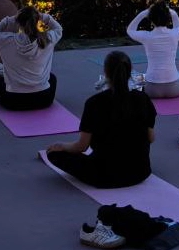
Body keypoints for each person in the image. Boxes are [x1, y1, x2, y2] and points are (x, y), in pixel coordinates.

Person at [46, 51, 157, 188]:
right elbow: (151, 138)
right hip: (141, 172)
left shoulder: (94, 103)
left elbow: (81, 146)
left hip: (104, 176)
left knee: (54, 154)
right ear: (130, 71)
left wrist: (61, 145)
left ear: (105, 72)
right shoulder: (143, 99)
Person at [0, 6, 63, 111]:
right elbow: (58, 28)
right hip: (44, 100)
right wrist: (44, 17)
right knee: (51, 78)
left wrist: (9, 20)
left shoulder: (6, 40)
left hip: (14, 102)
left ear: (18, 21)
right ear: (37, 20)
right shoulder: (48, 39)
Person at [126, 2, 179, 98]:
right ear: (168, 18)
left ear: (150, 19)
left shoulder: (147, 36)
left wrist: (144, 13)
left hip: (150, 90)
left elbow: (130, 30)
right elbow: (178, 25)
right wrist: (169, 11)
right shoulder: (174, 34)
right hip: (174, 90)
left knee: (134, 77)